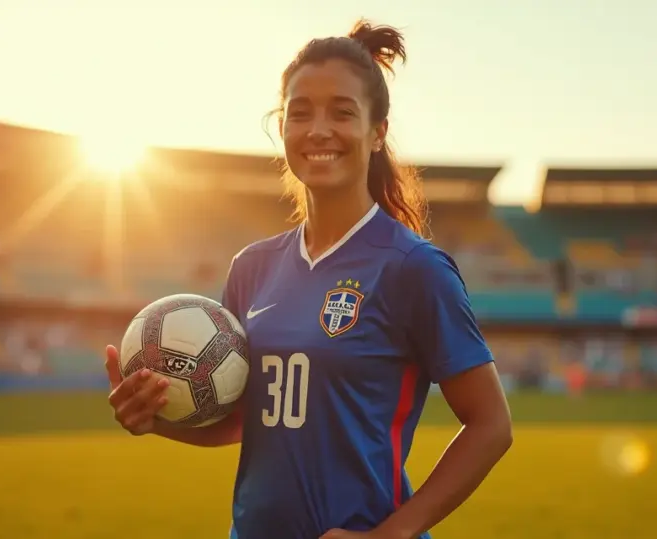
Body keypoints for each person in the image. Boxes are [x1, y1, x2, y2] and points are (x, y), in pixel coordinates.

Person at [103, 19, 513, 539]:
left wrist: (391, 535)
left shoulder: (413, 268)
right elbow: (242, 419)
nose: (318, 129)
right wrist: (156, 418)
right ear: (283, 129)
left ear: (377, 131)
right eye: (300, 114)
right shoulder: (251, 268)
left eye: (342, 112)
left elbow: (491, 426)